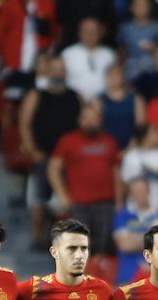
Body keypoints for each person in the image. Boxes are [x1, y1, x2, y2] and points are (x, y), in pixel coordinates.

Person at [48, 100, 120, 254]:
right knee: (79, 245)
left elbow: (116, 173)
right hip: (78, 204)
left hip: (105, 203)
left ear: (100, 120)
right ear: (80, 120)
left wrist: (119, 201)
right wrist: (62, 195)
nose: (90, 122)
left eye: (94, 118)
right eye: (86, 118)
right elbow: (53, 168)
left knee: (104, 244)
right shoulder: (68, 141)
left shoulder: (109, 141)